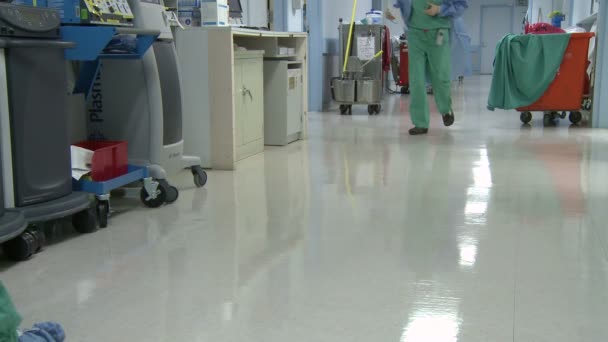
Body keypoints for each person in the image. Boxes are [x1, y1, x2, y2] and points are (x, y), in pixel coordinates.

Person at [387, 0, 469, 135]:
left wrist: (440, 9)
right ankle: (420, 123)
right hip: (415, 33)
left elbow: (461, 4)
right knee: (416, 79)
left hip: (439, 31)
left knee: (441, 75)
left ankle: (445, 109)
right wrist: (392, 11)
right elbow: (400, 3)